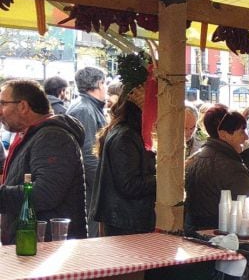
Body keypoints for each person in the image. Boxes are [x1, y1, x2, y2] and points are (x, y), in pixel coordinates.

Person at [0, 79, 87, 243]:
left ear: (23, 106)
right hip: (35, 242)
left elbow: (45, 193)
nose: (0, 111)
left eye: (3, 104)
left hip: (47, 247)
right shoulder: (35, 135)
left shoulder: (52, 137)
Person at [92, 78, 156, 236]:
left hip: (126, 220)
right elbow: (129, 184)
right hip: (125, 222)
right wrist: (163, 178)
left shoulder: (128, 132)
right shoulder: (126, 136)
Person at [183, 106, 249, 231]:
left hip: (194, 235)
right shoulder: (232, 168)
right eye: (241, 131)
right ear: (223, 134)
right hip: (222, 238)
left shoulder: (195, 159)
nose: (246, 137)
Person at [66, 66, 107, 236]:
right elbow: (89, 155)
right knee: (90, 235)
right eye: (104, 83)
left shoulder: (86, 107)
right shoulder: (85, 109)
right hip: (88, 190)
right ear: (99, 83)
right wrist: (102, 188)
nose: (105, 88)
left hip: (87, 186)